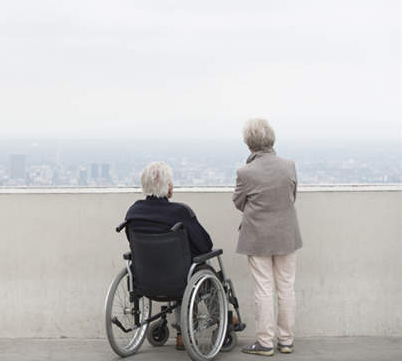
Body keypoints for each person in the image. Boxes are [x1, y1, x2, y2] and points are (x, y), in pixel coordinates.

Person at [125, 161, 213, 350]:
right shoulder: (179, 212)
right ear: (167, 187)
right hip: (179, 278)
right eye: (171, 182)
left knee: (178, 268)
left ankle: (183, 332)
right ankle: (210, 323)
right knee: (202, 270)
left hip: (145, 279)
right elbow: (205, 245)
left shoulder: (134, 213)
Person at [233, 118, 302, 356]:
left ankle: (265, 342)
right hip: (287, 234)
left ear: (249, 144)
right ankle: (286, 340)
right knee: (286, 287)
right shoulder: (289, 165)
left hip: (258, 237)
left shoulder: (245, 172)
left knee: (263, 288)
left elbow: (239, 202)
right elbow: (292, 195)